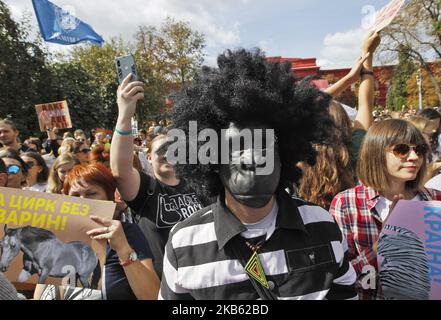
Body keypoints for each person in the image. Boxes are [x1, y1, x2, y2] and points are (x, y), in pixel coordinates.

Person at [156, 49, 357, 300]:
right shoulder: (184, 241)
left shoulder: (322, 225)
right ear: (213, 160)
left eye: (263, 146)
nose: (252, 159)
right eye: (236, 147)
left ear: (284, 155)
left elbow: (345, 294)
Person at [330, 119, 441, 300]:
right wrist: (384, 243)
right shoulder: (347, 204)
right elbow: (343, 280)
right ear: (376, 153)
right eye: (402, 150)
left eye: (419, 149)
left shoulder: (435, 199)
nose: (414, 157)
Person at [297, 31, 380, 209]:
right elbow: (365, 104)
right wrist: (368, 53)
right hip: (346, 224)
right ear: (343, 123)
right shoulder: (355, 148)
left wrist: (348, 78)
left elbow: (302, 107)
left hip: (308, 227)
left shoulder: (298, 152)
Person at [63, 163, 160, 300]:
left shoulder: (127, 233)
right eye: (75, 195)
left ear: (108, 198)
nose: (82, 201)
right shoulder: (57, 237)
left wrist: (123, 249)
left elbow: (153, 296)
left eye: (91, 193)